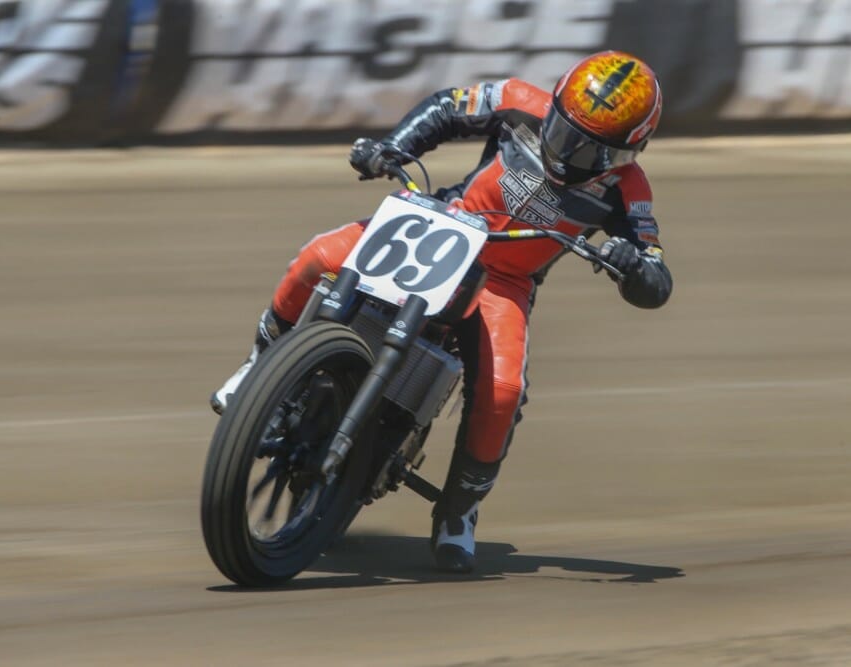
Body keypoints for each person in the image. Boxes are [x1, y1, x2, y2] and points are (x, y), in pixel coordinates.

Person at [211, 50, 673, 573]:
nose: (567, 151)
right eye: (565, 132)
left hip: (504, 280)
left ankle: (459, 509)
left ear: (627, 152)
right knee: (318, 257)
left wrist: (632, 264)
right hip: (442, 226)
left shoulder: (631, 192)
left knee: (503, 391)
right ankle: (260, 361)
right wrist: (393, 147)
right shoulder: (520, 100)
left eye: (590, 149)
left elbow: (657, 279)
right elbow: (447, 108)